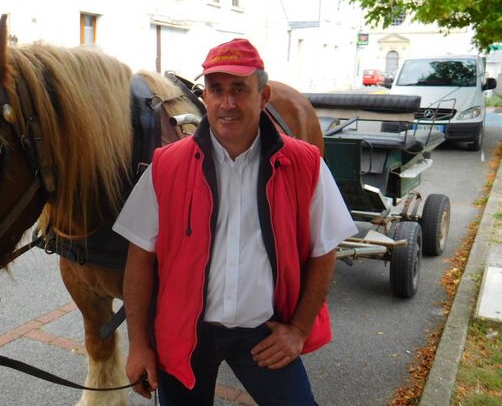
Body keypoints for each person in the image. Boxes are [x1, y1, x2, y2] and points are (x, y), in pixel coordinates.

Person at [113, 38, 357, 405]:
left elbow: (325, 250)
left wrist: (298, 330)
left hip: (263, 334)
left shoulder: (304, 164)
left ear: (264, 95)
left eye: (239, 89)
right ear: (205, 97)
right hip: (184, 335)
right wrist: (139, 345)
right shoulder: (167, 165)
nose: (227, 103)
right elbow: (139, 257)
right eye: (217, 90)